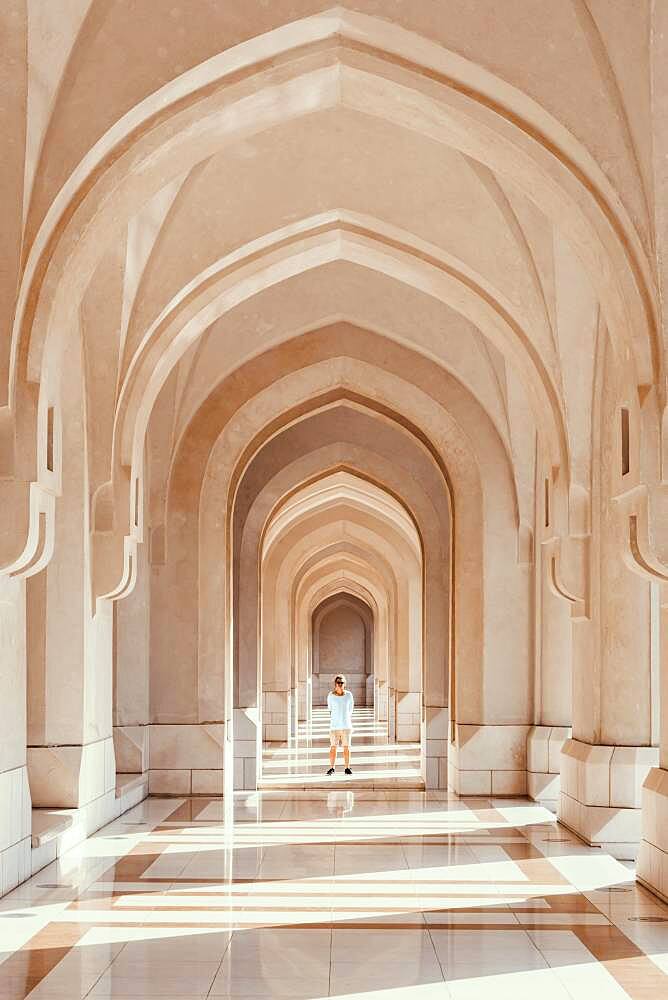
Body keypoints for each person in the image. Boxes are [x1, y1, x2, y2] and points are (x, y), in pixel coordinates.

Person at [326, 674, 354, 775]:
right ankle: (332, 767)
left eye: (342, 683)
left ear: (344, 684)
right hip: (334, 726)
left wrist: (344, 718)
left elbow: (350, 709)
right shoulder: (331, 696)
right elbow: (330, 709)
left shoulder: (349, 695)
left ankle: (347, 767)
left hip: (346, 726)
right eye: (338, 683)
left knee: (346, 747)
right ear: (335, 684)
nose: (340, 684)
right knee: (333, 747)